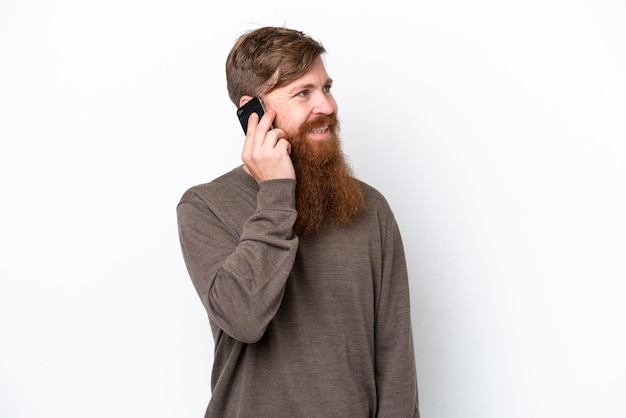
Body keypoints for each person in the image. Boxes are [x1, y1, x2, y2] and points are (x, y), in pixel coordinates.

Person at [177, 26, 420, 418]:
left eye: (326, 87)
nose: (326, 105)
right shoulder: (204, 206)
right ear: (252, 111)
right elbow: (243, 318)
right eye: (303, 92)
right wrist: (276, 194)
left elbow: (396, 362)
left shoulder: (371, 209)